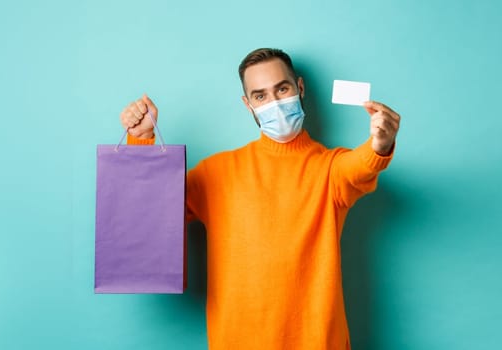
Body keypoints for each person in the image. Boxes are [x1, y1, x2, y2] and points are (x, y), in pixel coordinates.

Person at [118, 48, 400, 349]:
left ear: (299, 88)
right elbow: (152, 211)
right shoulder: (217, 172)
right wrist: (142, 139)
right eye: (261, 96)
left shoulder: (330, 168)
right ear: (248, 104)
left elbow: (360, 167)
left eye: (282, 89)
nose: (275, 104)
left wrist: (380, 144)